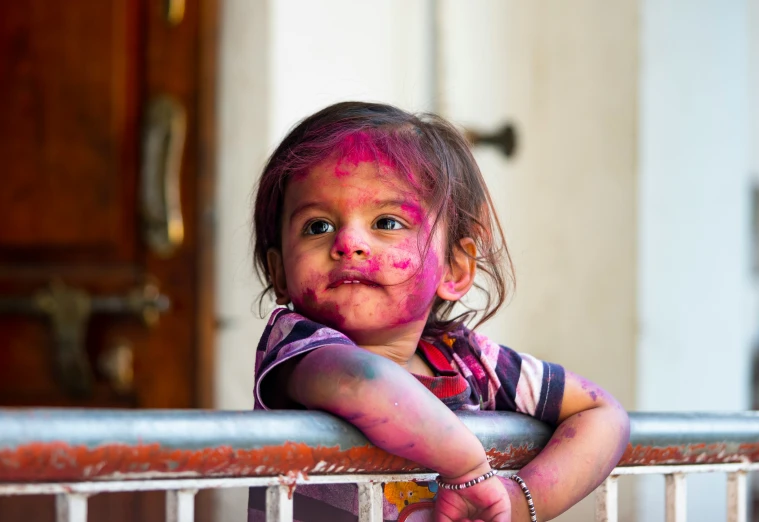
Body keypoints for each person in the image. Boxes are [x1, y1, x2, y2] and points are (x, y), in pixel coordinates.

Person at [247, 101, 630, 522]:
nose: (348, 242)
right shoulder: (297, 346)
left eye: (387, 222)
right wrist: (467, 467)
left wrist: (517, 503)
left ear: (455, 268)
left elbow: (602, 414)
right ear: (279, 270)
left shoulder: (467, 360)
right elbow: (360, 381)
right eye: (317, 226)